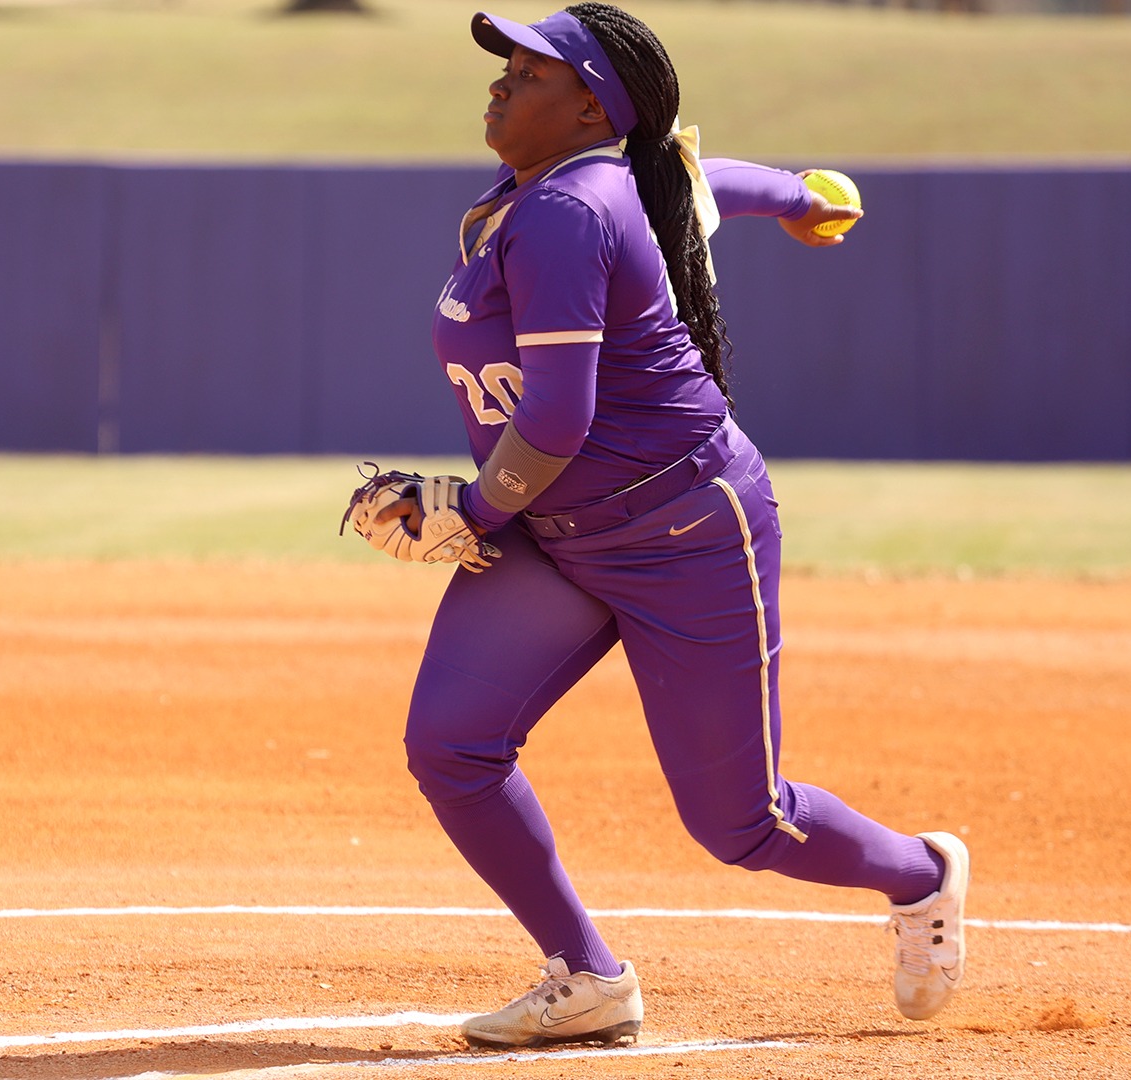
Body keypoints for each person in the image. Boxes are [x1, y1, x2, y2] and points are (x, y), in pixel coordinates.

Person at [348, 5, 970, 1049]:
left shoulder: (565, 213)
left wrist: (470, 507)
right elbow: (697, 178)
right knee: (452, 744)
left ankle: (923, 873)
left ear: (593, 104)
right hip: (561, 528)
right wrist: (799, 194)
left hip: (683, 524)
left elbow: (557, 416)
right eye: (502, 65)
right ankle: (586, 977)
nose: (501, 81)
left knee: (743, 825)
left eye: (529, 71)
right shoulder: (548, 195)